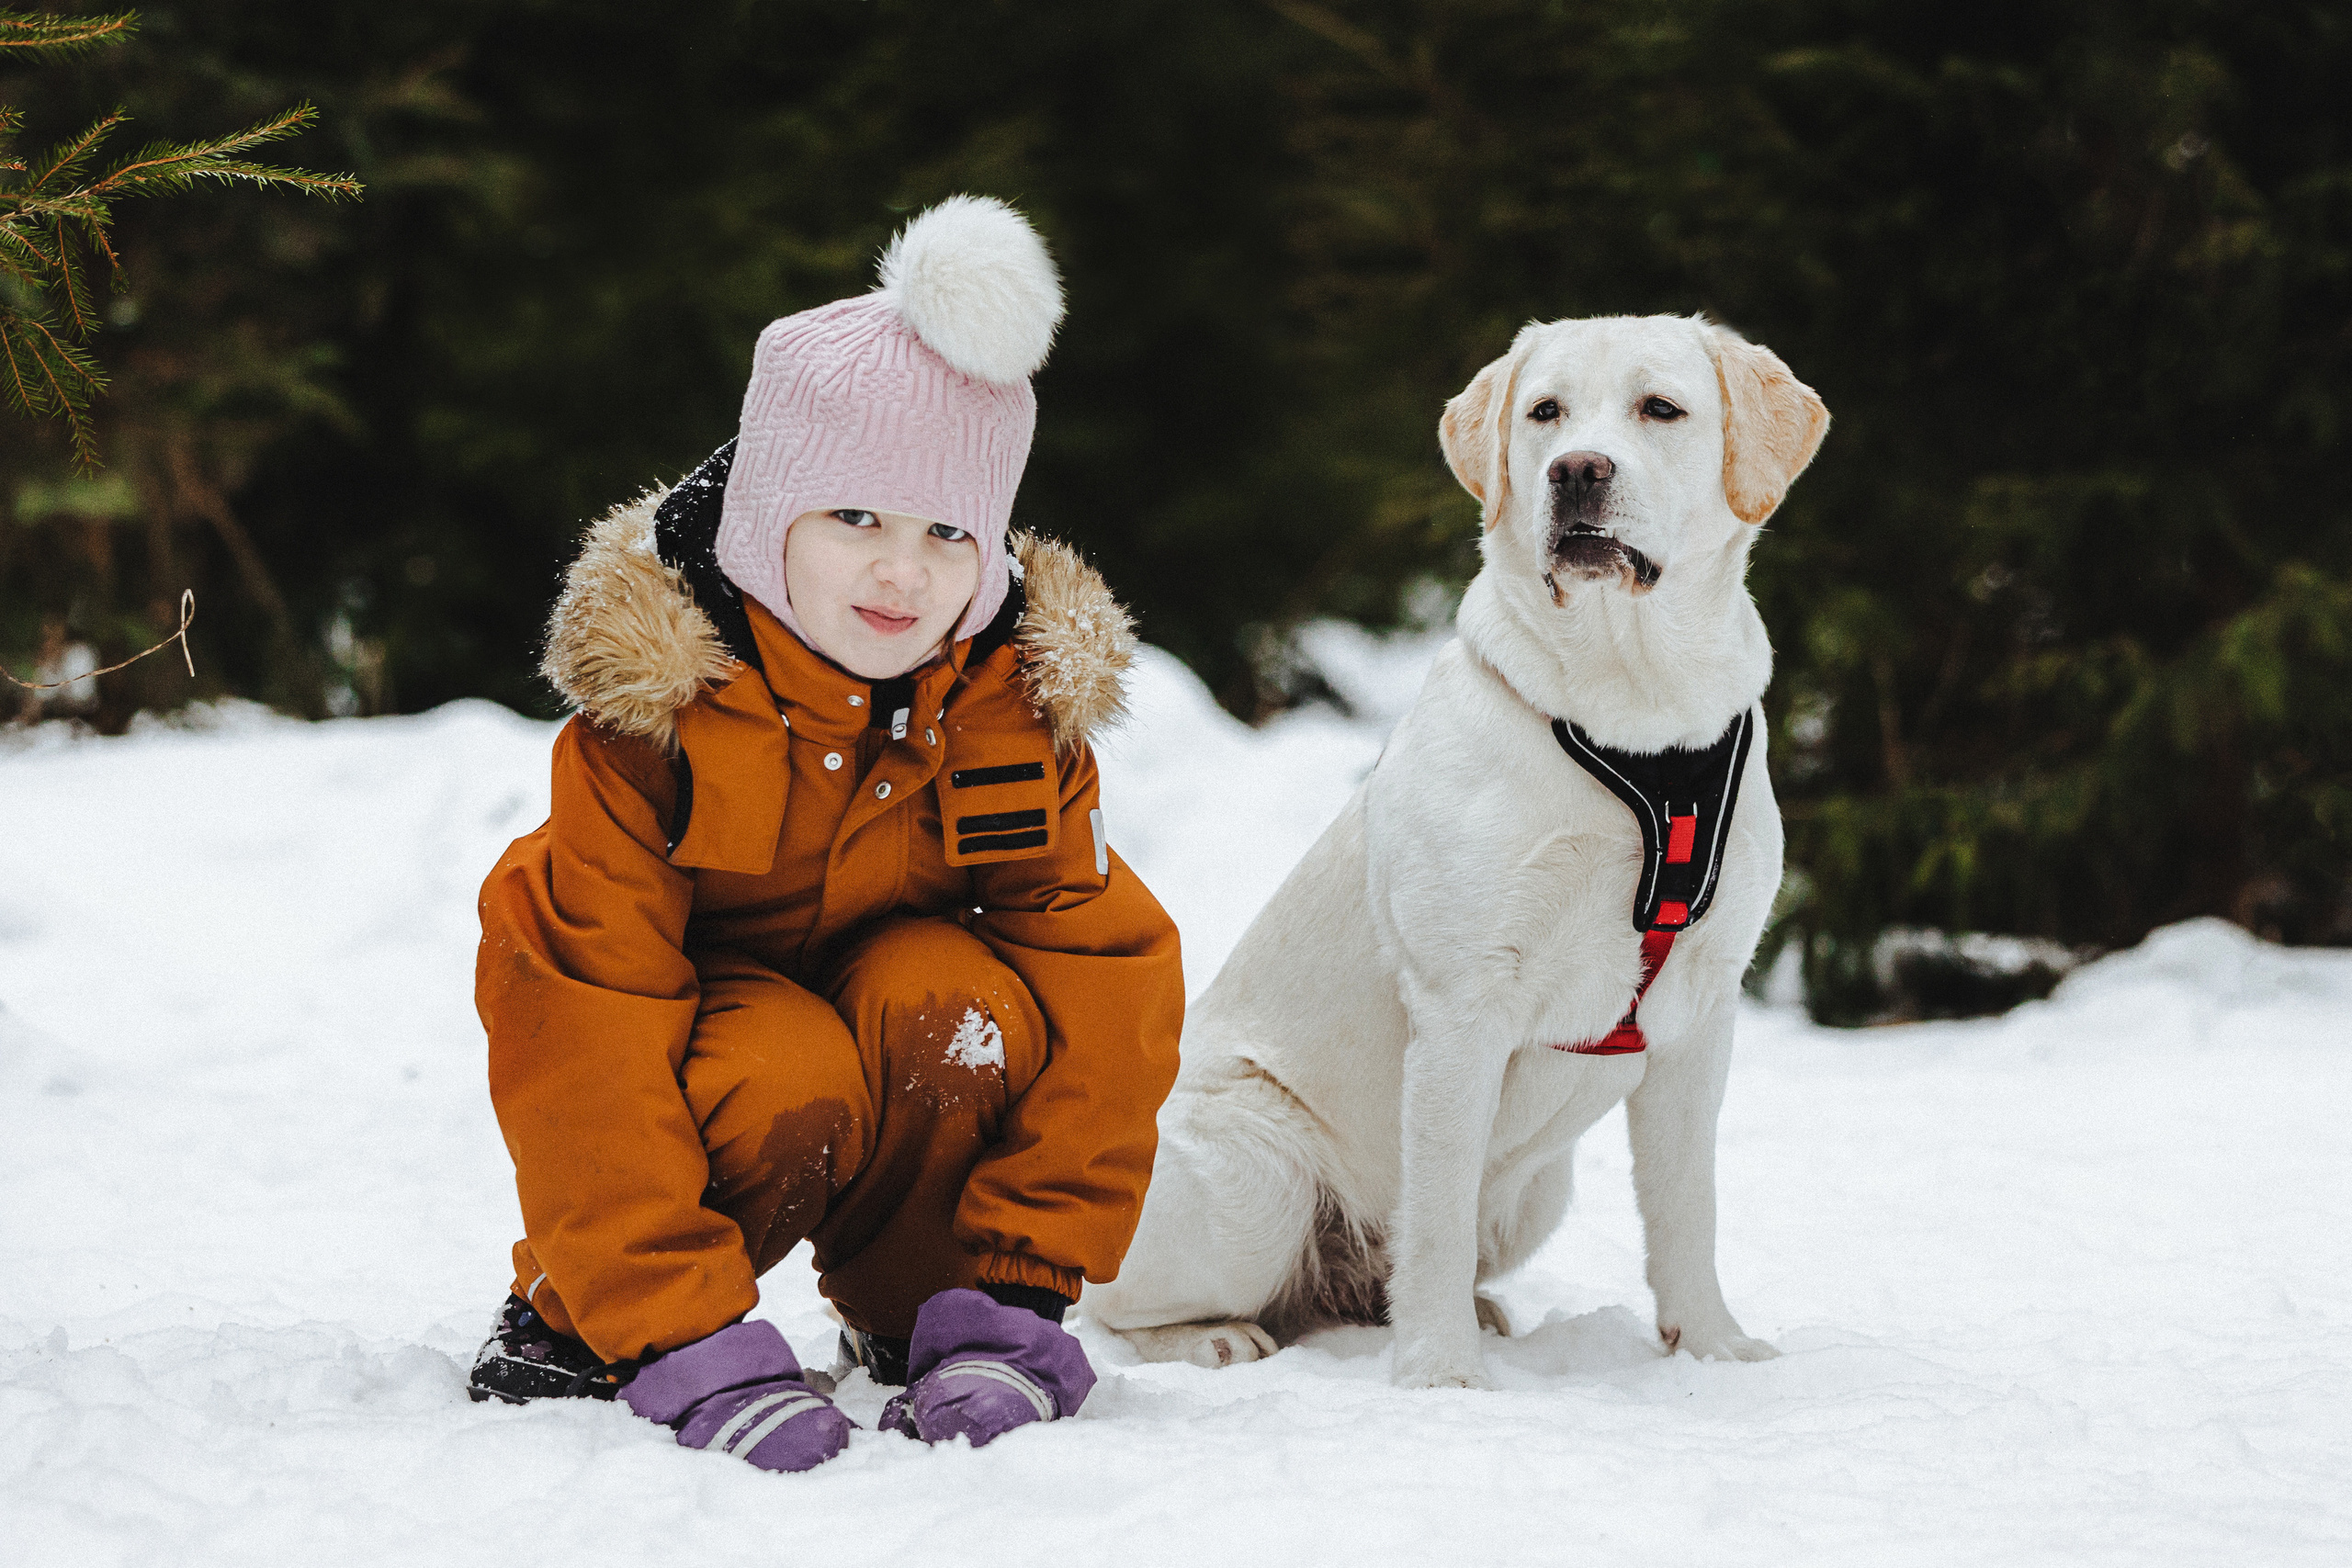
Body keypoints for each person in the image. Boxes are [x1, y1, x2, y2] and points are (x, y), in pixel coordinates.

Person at [466, 197, 1184, 1471]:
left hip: (886, 1027)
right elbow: (587, 1016)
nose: (901, 577)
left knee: (954, 1000)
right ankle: (598, 1328)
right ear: (763, 522)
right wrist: (670, 1325)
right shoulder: (662, 714)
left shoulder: (1004, 704)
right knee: (784, 1063)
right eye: (856, 520)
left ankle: (940, 1321)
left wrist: (1024, 1286)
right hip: (708, 1063)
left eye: (945, 534)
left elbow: (1104, 975)